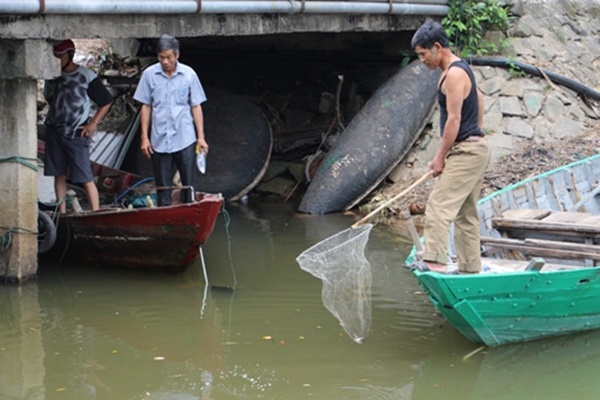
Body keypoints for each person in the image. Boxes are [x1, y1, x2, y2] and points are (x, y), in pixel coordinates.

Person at [410, 19, 491, 274]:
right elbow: (479, 99)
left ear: (437, 47)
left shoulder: (454, 74)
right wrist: (477, 132)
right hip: (474, 148)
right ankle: (470, 268)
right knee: (466, 213)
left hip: (466, 152)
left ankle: (434, 260)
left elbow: (454, 119)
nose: (422, 60)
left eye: (424, 54)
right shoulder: (458, 69)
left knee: (438, 205)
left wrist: (440, 157)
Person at [133, 34, 209, 206]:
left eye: (168, 57)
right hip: (159, 138)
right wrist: (144, 137)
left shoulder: (189, 75)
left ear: (177, 55)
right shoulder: (149, 75)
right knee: (163, 187)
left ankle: (189, 215)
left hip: (185, 137)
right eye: (161, 58)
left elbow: (196, 106)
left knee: (188, 185)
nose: (165, 61)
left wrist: (201, 137)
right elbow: (146, 106)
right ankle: (166, 220)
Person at [44, 39, 113, 212]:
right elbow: (49, 98)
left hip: (77, 132)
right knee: (58, 174)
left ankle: (95, 212)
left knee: (85, 176)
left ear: (70, 55)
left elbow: (106, 101)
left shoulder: (86, 76)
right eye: (55, 56)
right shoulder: (52, 75)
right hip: (55, 130)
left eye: (60, 55)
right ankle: (62, 214)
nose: (57, 59)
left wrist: (92, 123)